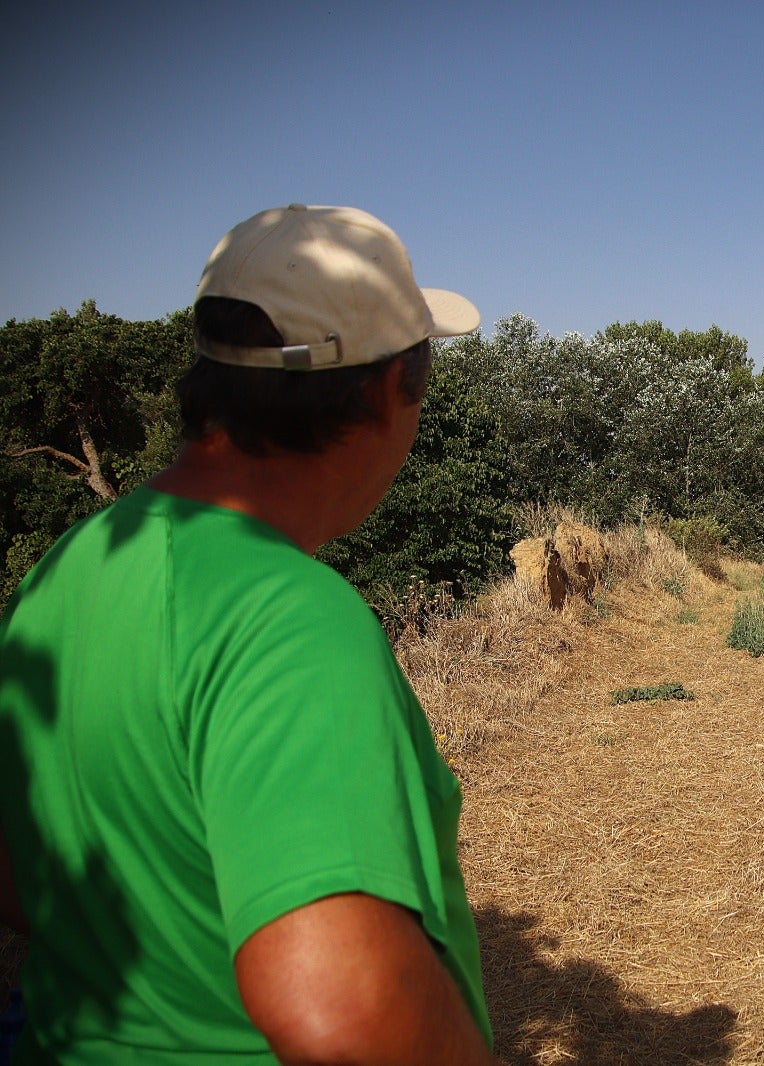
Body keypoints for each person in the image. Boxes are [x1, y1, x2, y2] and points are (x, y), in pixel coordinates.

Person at [0, 205, 497, 1063]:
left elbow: (22, 873)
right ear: (390, 389)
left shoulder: (68, 570)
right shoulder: (290, 621)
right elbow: (345, 1012)